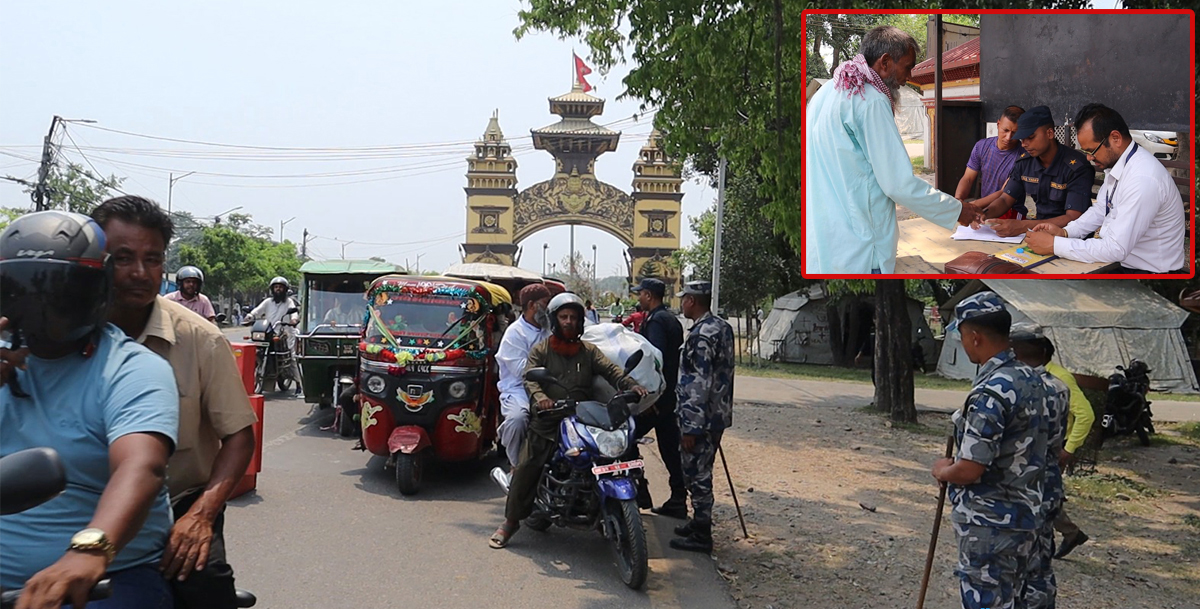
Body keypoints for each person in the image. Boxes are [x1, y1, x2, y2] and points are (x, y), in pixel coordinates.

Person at [0, 210, 179, 608]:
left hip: (103, 579)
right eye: (24, 292)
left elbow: (142, 466)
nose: (43, 308)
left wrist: (89, 551)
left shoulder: (132, 368)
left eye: (61, 293)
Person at [90, 196, 259, 609]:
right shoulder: (61, 330)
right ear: (95, 260)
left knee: (204, 582)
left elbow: (239, 436)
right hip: (80, 500)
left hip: (175, 502)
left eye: (152, 259)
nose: (139, 273)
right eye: (123, 257)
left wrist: (201, 515)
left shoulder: (200, 338)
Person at [805, 25, 976, 274]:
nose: (910, 76)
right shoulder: (870, 99)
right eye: (907, 67)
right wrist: (958, 210)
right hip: (862, 251)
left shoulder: (824, 94)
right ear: (885, 62)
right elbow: (898, 184)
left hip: (823, 248)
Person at [489, 293, 646, 549]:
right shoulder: (542, 349)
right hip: (549, 420)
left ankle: (625, 503)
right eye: (564, 316)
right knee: (528, 465)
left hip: (582, 417)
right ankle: (510, 522)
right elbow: (530, 378)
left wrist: (630, 384)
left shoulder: (588, 351)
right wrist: (541, 399)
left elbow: (610, 370)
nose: (569, 321)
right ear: (554, 319)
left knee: (617, 451)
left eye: (573, 317)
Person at [931, 292, 1050, 609]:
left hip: (991, 522)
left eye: (961, 335)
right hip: (1027, 518)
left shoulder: (992, 390)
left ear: (975, 336)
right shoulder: (1032, 379)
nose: (963, 342)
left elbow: (970, 469)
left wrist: (943, 470)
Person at [1025, 103, 1187, 273]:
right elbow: (1101, 209)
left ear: (1115, 138)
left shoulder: (1142, 179)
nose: (1089, 158)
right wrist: (1065, 233)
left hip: (1148, 273)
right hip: (1121, 263)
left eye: (1092, 150)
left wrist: (1054, 245)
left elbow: (1115, 249)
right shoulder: (1120, 163)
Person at [670, 281, 735, 554]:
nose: (682, 303)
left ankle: (702, 532)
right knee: (700, 470)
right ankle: (697, 523)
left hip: (700, 419)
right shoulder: (721, 327)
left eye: (684, 299)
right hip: (716, 415)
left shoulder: (701, 336)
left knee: (697, 474)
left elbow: (698, 382)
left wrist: (691, 427)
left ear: (692, 301)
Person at [1009, 323, 1069, 609]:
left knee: (1011, 561)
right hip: (1049, 480)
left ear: (1014, 352)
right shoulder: (1059, 388)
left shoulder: (1018, 387)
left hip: (1021, 484)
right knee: (1042, 555)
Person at [972, 105, 1095, 237]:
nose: (1024, 144)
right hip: (1039, 233)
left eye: (1030, 137)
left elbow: (1073, 218)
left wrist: (1023, 226)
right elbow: (1005, 199)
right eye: (1022, 139)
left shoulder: (1077, 167)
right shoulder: (1024, 162)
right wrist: (984, 214)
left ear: (1049, 133)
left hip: (1072, 240)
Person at [630, 278, 687, 516]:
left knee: (625, 438)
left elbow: (655, 361)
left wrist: (650, 399)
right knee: (669, 448)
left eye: (640, 294)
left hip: (659, 398)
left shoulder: (656, 322)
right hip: (671, 394)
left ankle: (639, 487)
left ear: (649, 295)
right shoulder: (670, 319)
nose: (638, 298)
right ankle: (678, 498)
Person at [492, 283, 552, 474]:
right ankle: (516, 466)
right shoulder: (514, 333)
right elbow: (521, 371)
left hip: (551, 386)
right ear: (533, 305)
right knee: (518, 419)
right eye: (546, 303)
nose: (549, 308)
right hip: (518, 390)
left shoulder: (549, 329)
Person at [1048, 357, 1094, 559]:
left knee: (1043, 497)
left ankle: (1066, 535)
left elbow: (1085, 415)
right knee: (1044, 496)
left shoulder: (1059, 377)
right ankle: (1070, 533)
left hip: (1054, 449)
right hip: (1035, 448)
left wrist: (1069, 448)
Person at [957, 106, 1027, 220]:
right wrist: (958, 200)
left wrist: (968, 207)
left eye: (1015, 133)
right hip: (983, 208)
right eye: (1005, 130)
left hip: (1011, 212)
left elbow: (1003, 195)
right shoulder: (982, 146)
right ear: (998, 124)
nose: (1008, 137)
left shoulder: (1023, 156)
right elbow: (968, 178)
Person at [245, 276, 302, 395]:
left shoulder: (289, 302)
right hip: (268, 331)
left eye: (280, 287)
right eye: (276, 287)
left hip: (285, 332)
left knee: (291, 358)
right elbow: (257, 311)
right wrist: (249, 317)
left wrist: (294, 320)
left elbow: (294, 313)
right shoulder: (268, 302)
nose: (278, 289)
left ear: (285, 289)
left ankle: (298, 384)